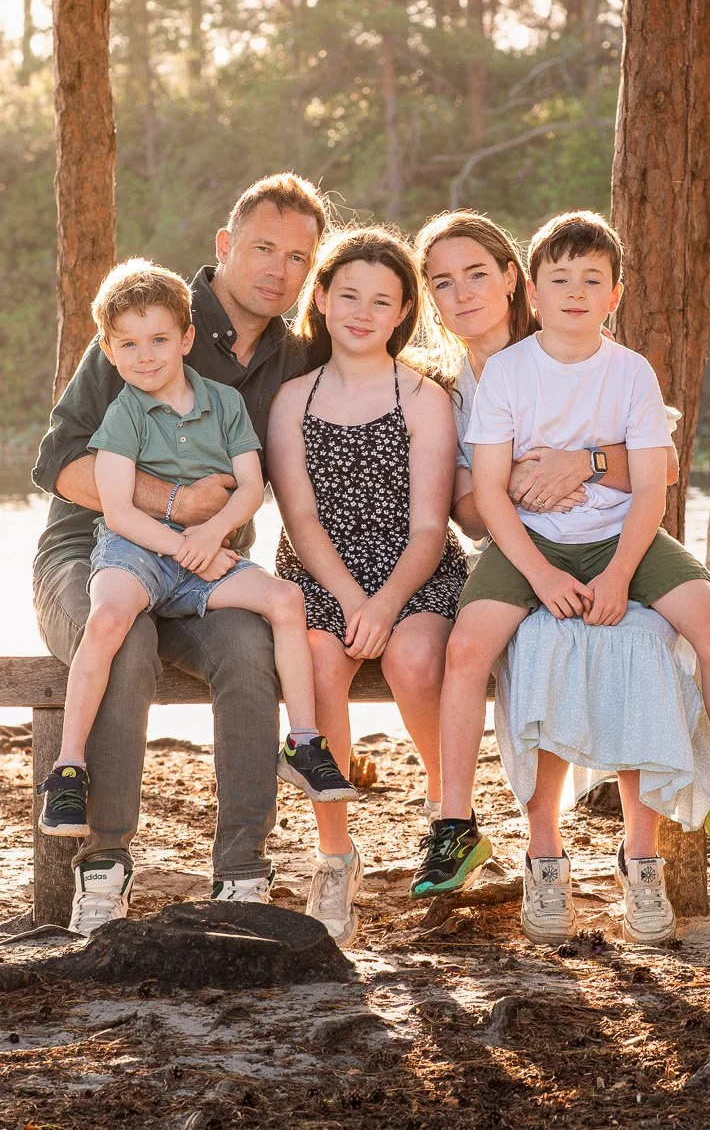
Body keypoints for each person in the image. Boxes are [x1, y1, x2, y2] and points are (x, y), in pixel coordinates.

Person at [415, 210, 710, 937]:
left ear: (616, 294)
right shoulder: (507, 377)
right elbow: (490, 495)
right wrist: (541, 576)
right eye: (560, 279)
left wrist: (621, 574)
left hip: (622, 535)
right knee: (467, 648)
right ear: (533, 290)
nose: (576, 291)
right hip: (531, 544)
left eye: (593, 280)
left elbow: (653, 485)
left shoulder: (630, 372)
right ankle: (454, 822)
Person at [29, 173, 328, 934]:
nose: (277, 270)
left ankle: (241, 875)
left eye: (298, 258)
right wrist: (170, 502)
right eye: (263, 248)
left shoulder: (293, 359)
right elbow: (59, 463)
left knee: (249, 644)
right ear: (226, 246)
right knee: (124, 639)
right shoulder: (148, 320)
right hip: (93, 549)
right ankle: (104, 863)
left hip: (207, 569)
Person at [36, 260, 356, 844]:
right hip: (134, 552)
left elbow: (252, 487)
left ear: (186, 338)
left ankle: (305, 743)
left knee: (285, 600)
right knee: (109, 619)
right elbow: (118, 512)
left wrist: (214, 537)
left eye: (159, 339)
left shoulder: (225, 404)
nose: (146, 356)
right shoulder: (122, 415)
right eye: (128, 345)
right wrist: (189, 543)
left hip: (200, 558)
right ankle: (69, 769)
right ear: (108, 351)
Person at [267, 229, 469, 943]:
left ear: (403, 311)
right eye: (347, 293)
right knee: (321, 662)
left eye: (381, 299)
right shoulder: (292, 399)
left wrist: (384, 603)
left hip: (414, 568)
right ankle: (335, 854)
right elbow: (300, 517)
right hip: (320, 571)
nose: (361, 310)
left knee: (415, 660)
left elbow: (428, 526)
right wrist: (355, 601)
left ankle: (449, 811)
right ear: (321, 299)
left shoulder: (424, 396)